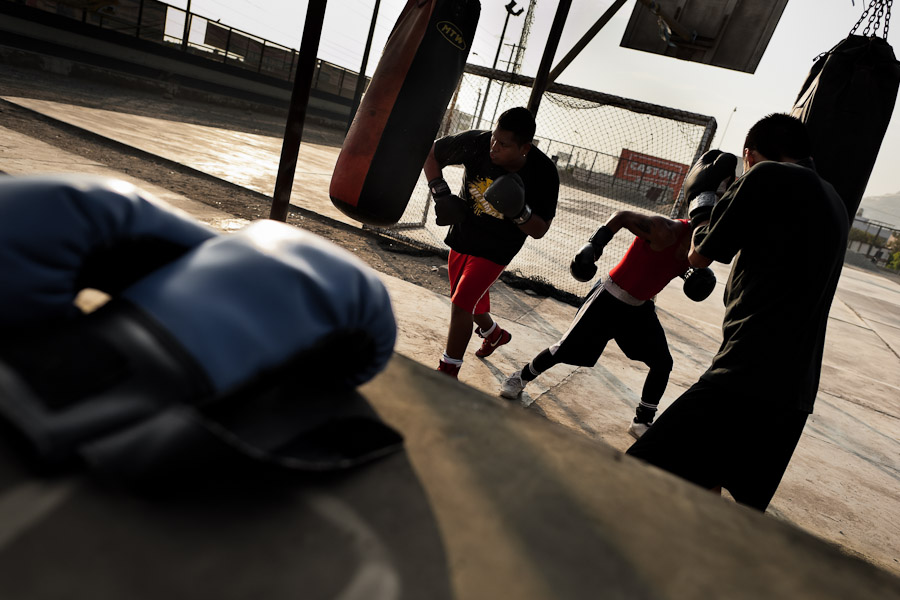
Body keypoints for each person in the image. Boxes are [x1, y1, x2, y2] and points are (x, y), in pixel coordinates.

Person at [626, 113, 850, 511]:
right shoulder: (834, 199)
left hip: (744, 375)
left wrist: (702, 203)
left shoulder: (765, 176)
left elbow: (700, 255)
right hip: (794, 393)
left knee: (636, 471)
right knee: (720, 497)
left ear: (749, 155)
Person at [499, 207, 719, 439]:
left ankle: (642, 421)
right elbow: (622, 217)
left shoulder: (700, 250)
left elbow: (672, 267)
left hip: (640, 310)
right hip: (609, 299)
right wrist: (594, 245)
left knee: (662, 362)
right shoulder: (664, 230)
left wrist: (693, 278)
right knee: (565, 350)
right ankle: (520, 377)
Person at [424, 107, 560, 378]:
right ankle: (494, 334)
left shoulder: (543, 174)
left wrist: (520, 212)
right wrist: (440, 192)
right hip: (464, 233)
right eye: (494, 138)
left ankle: (448, 370)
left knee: (462, 303)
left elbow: (539, 230)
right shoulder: (477, 142)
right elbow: (429, 153)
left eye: (504, 144)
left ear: (524, 148)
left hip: (498, 247)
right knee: (466, 296)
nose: (494, 147)